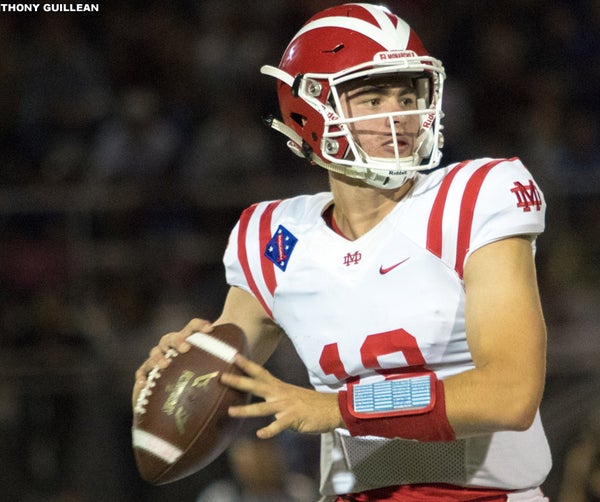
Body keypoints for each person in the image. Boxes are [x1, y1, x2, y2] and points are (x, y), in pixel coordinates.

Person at [133, 4, 552, 500]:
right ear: (309, 110)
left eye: (407, 94)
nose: (398, 116)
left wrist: (340, 408)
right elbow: (223, 376)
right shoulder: (275, 236)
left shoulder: (474, 197)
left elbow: (510, 393)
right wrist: (175, 376)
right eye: (372, 98)